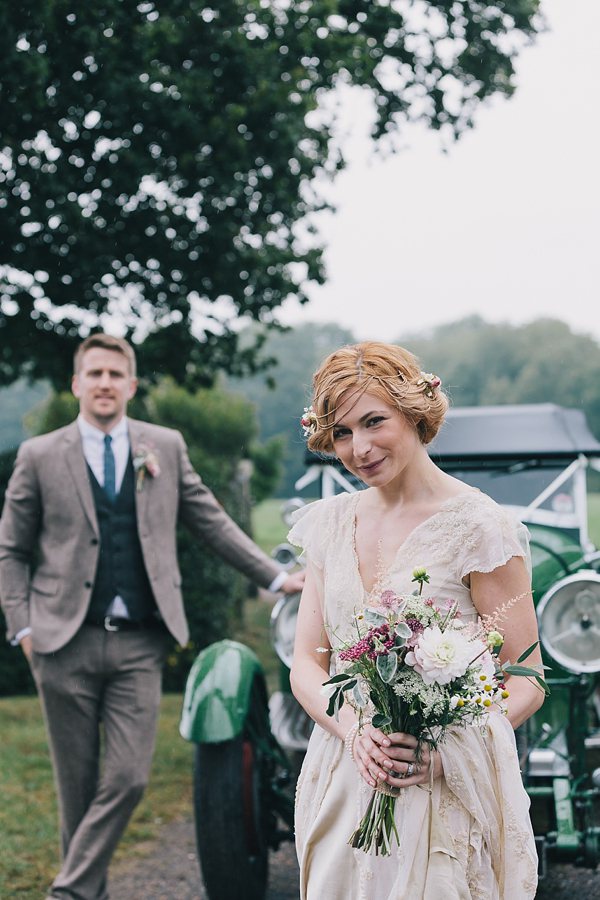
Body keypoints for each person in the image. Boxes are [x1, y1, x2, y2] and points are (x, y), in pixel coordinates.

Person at [0, 333, 304, 900]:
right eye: (94, 374)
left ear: (131, 385)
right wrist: (22, 626)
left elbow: (210, 521)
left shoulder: (163, 445)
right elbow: (11, 551)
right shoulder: (39, 456)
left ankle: (67, 890)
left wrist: (275, 576)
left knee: (128, 778)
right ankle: (89, 893)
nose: (105, 383)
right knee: (76, 788)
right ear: (77, 384)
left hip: (140, 642)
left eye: (116, 374)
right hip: (60, 642)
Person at [289, 341, 543, 899]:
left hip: (438, 785)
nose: (360, 448)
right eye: (342, 433)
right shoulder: (328, 524)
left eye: (374, 421)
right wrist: (355, 733)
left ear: (413, 409)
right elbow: (307, 665)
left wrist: (451, 751)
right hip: (344, 776)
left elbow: (526, 676)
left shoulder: (480, 526)